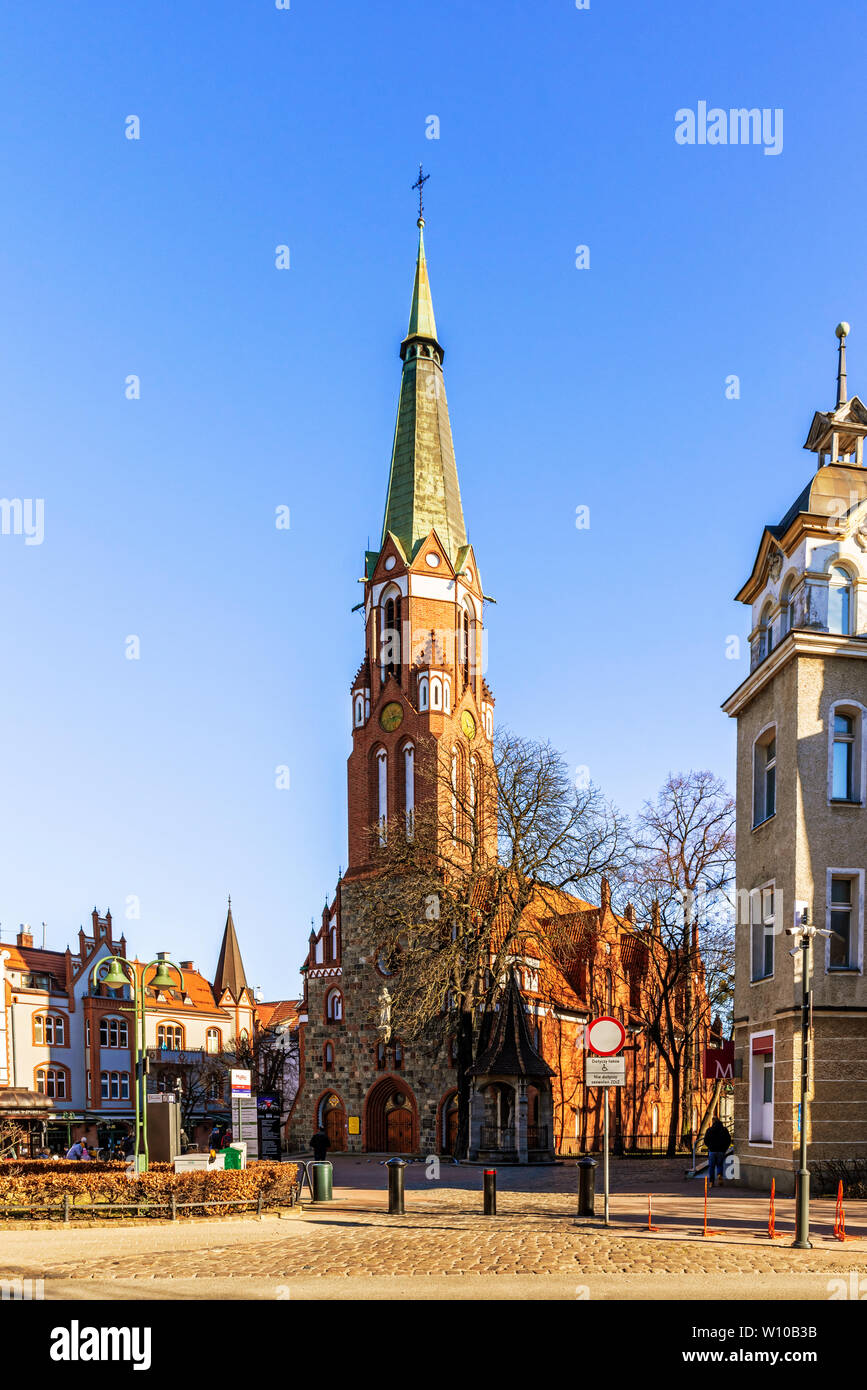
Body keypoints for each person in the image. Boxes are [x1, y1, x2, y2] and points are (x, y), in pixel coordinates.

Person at [704, 1115, 732, 1188]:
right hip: (721, 1151)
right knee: (720, 1165)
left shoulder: (709, 1130)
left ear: (713, 1121)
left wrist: (709, 1147)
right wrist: (725, 1149)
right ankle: (719, 1175)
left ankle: (711, 1182)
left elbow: (705, 1140)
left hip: (712, 1151)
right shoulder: (724, 1130)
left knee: (711, 1167)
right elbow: (728, 1140)